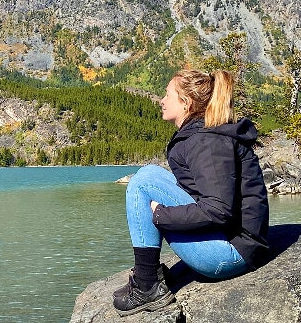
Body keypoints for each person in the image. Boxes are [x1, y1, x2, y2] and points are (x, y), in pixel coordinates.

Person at [113, 69, 270, 317]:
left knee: (141, 185)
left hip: (230, 254)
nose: (161, 100)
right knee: (147, 174)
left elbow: (218, 209)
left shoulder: (207, 141)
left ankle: (146, 287)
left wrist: (162, 215)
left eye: (167, 95)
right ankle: (148, 276)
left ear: (185, 103)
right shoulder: (203, 135)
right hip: (231, 240)